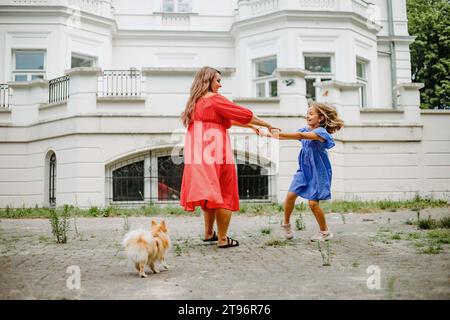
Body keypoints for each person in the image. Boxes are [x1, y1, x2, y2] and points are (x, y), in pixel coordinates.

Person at [180, 66, 279, 248]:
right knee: (225, 189)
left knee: (211, 191)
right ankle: (223, 239)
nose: (220, 84)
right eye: (218, 80)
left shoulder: (195, 102)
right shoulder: (214, 99)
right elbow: (241, 113)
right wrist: (268, 124)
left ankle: (209, 233)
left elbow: (227, 118)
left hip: (197, 150)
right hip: (215, 148)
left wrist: (251, 127)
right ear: (207, 81)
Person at [267, 102, 344, 241]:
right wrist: (271, 135)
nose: (307, 116)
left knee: (313, 203)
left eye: (311, 113)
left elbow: (300, 135)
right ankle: (286, 224)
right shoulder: (306, 129)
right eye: (307, 113)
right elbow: (294, 135)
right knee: (290, 195)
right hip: (303, 169)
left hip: (318, 171)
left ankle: (325, 231)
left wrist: (280, 133)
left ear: (320, 118)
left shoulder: (320, 132)